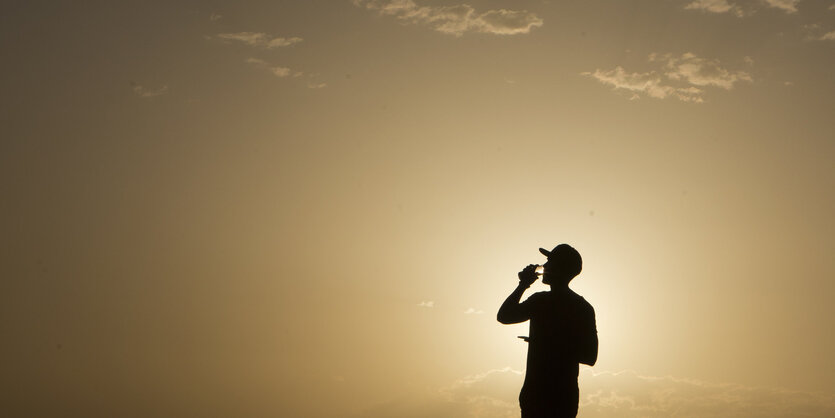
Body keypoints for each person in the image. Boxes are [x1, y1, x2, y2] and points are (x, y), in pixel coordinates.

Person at [497, 244, 598, 418]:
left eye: (549, 262)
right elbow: (504, 316)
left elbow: (589, 357)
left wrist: (545, 342)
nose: (545, 266)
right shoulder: (582, 308)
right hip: (549, 398)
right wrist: (523, 285)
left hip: (551, 399)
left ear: (559, 268)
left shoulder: (543, 302)